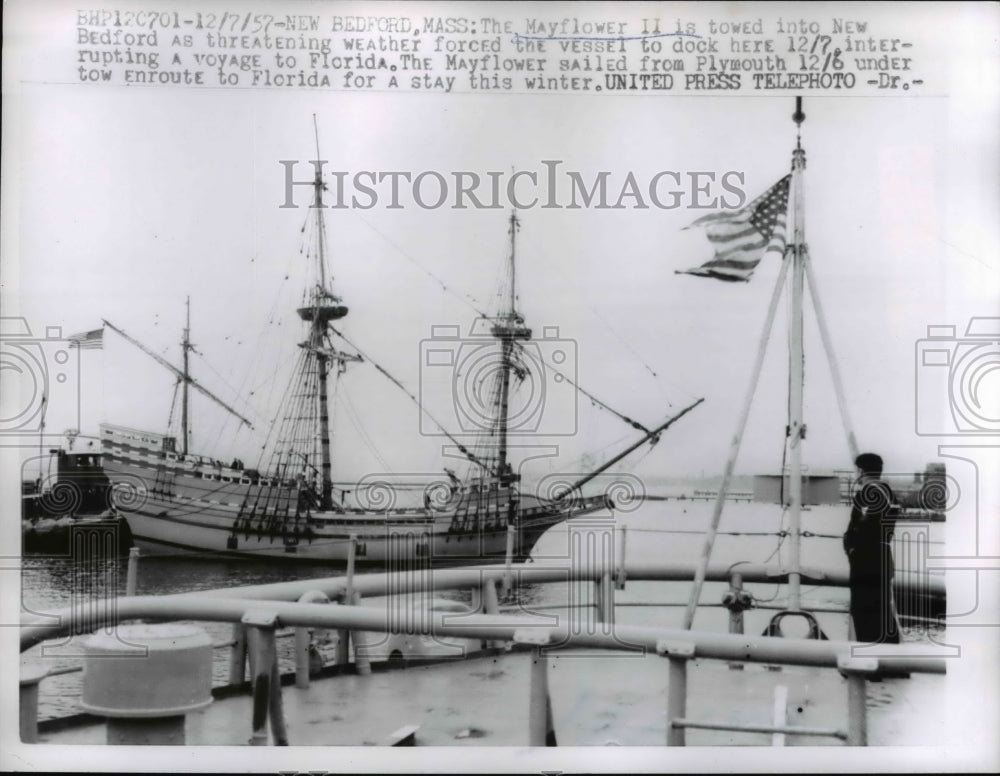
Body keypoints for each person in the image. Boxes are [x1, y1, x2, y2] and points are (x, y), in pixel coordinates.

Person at [843, 452, 901, 644]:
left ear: (860, 470)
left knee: (864, 612)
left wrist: (850, 547)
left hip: (866, 562)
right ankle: (892, 663)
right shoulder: (889, 492)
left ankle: (870, 663)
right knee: (883, 610)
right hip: (883, 558)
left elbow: (860, 529)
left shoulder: (867, 493)